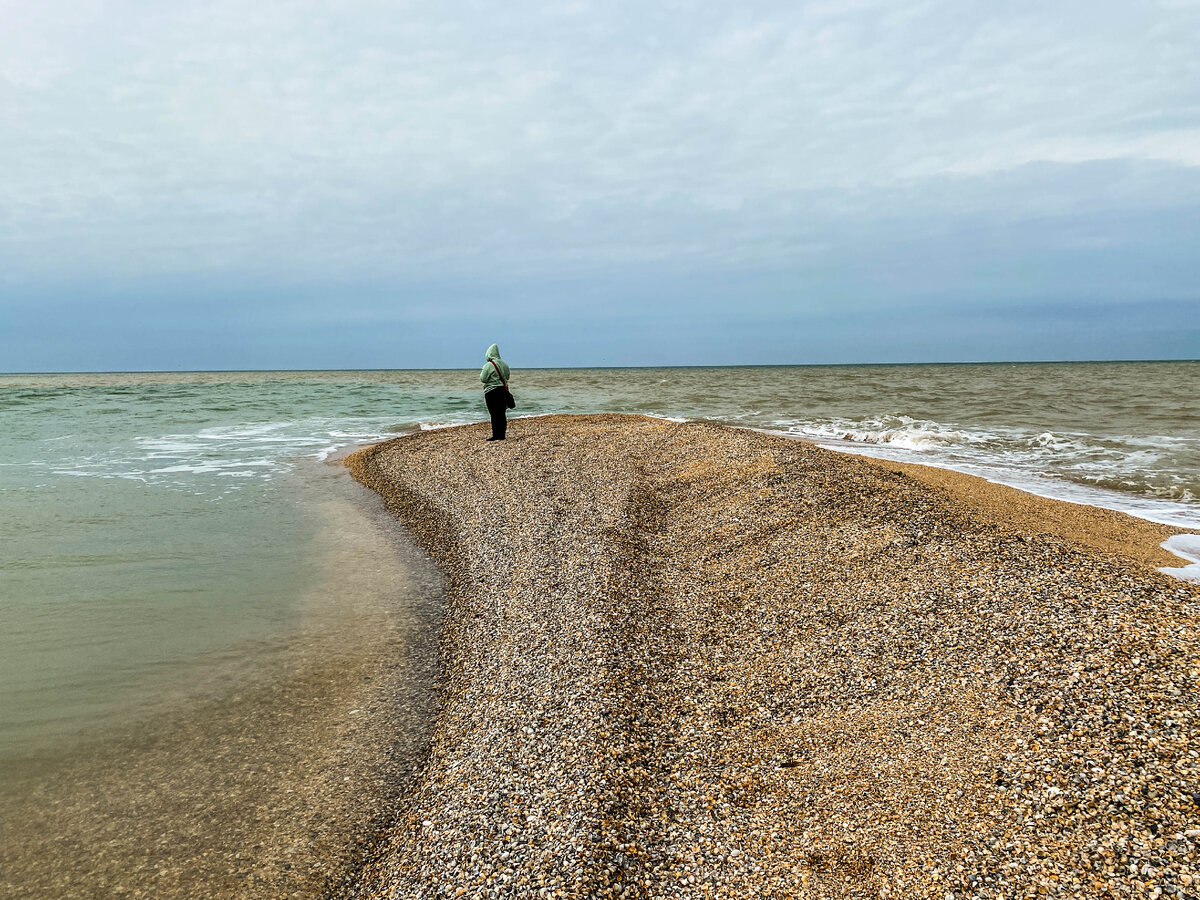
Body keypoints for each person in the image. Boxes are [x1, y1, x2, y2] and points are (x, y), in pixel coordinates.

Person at [480, 343, 511, 441]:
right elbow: (507, 377)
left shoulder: (488, 365)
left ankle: (496, 435)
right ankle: (502, 435)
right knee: (502, 413)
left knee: (494, 414)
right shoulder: (505, 364)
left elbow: (483, 379)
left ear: (488, 354)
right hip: (503, 390)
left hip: (491, 392)